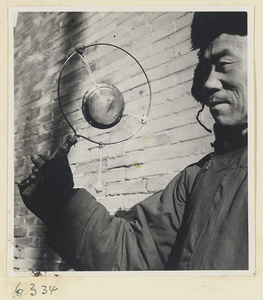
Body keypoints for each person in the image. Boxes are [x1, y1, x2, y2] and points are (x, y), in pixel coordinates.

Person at [18, 11, 249, 271]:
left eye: (224, 64)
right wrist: (59, 201)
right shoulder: (197, 178)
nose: (208, 83)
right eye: (205, 68)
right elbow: (133, 252)